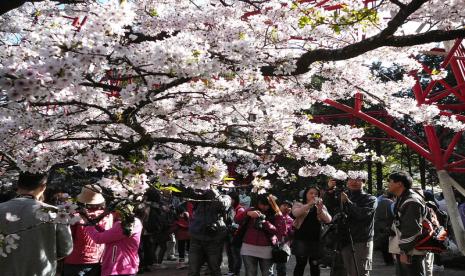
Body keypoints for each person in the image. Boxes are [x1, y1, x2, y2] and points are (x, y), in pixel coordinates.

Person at [0, 172, 73, 275]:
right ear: (43, 187)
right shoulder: (55, 213)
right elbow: (66, 249)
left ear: (18, 185)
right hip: (40, 270)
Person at [63, 184, 113, 276]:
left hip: (75, 260)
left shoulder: (75, 216)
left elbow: (68, 238)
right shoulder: (108, 216)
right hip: (98, 260)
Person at [235, 194, 285, 276]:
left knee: (267, 273)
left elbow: (278, 231)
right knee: (250, 273)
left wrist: (264, 222)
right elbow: (237, 219)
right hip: (248, 246)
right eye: (261, 204)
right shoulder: (252, 210)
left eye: (266, 205)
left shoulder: (277, 214)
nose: (262, 207)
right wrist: (247, 213)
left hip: (267, 247)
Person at [85, 204, 143, 276]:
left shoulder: (124, 224)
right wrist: (95, 226)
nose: (110, 214)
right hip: (126, 267)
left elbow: (99, 239)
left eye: (112, 212)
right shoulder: (135, 222)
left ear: (118, 212)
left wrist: (88, 226)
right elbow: (109, 235)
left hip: (118, 268)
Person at [388, 171, 427, 276]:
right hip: (407, 249)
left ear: (399, 184)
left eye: (390, 181)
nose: (388, 184)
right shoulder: (403, 197)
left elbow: (412, 229)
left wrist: (404, 251)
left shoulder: (411, 201)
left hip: (411, 251)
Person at [338, 174, 377, 276]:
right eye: (351, 179)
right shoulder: (342, 196)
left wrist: (348, 202)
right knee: (347, 272)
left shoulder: (370, 199)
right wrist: (329, 192)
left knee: (360, 272)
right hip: (344, 240)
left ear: (364, 183)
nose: (354, 182)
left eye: (358, 179)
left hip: (362, 241)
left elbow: (362, 214)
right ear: (347, 182)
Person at [188, 188, 231, 276]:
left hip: (214, 239)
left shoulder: (225, 197)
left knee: (214, 269)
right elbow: (185, 192)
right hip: (196, 238)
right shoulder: (199, 196)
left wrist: (212, 190)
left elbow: (222, 205)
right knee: (193, 270)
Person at [292, 187, 331, 276]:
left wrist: (320, 210)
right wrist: (309, 204)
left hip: (316, 240)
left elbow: (329, 220)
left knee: (315, 265)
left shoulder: (321, 206)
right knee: (300, 264)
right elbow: (295, 213)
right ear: (306, 194)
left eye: (316, 194)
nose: (313, 195)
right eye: (311, 193)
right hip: (301, 239)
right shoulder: (298, 204)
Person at [226, 191, 246, 276]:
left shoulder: (240, 209)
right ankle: (231, 271)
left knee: (236, 255)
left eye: (230, 199)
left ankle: (236, 272)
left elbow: (240, 224)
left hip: (236, 236)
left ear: (234, 200)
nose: (228, 201)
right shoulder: (230, 208)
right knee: (230, 253)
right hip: (229, 235)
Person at [374, 192, 395, 266]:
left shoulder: (378, 202)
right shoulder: (392, 203)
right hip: (389, 224)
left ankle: (387, 260)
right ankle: (391, 260)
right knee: (390, 242)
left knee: (383, 243)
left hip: (379, 224)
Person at [275, 199, 294, 276]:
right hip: (272, 243)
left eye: (289, 206)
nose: (286, 207)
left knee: (281, 267)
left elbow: (292, 234)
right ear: (279, 206)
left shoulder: (291, 220)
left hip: (283, 247)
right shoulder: (274, 217)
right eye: (284, 205)